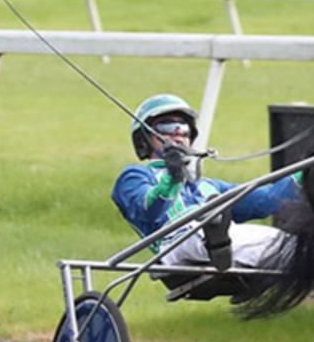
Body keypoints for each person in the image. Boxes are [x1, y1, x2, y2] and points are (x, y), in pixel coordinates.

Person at [112, 94, 302, 272]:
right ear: (144, 140)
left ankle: (216, 235)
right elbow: (147, 211)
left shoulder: (209, 186)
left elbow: (267, 199)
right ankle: (214, 236)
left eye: (184, 128)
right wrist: (173, 177)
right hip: (175, 242)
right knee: (205, 229)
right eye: (167, 127)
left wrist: (311, 172)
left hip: (230, 241)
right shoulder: (134, 175)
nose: (178, 131)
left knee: (304, 250)